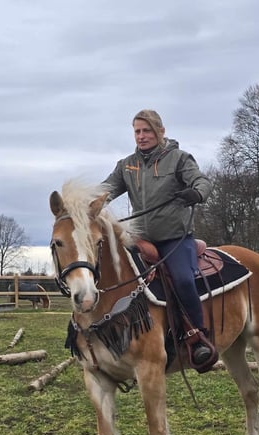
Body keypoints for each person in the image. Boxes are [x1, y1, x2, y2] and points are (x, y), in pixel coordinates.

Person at [102, 109, 216, 369]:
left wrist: (197, 193)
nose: (141, 137)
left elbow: (202, 181)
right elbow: (106, 190)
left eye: (147, 131)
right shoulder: (127, 165)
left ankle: (198, 337)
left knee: (184, 280)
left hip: (173, 239)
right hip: (139, 240)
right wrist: (81, 202)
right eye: (137, 131)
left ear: (160, 132)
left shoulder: (178, 159)